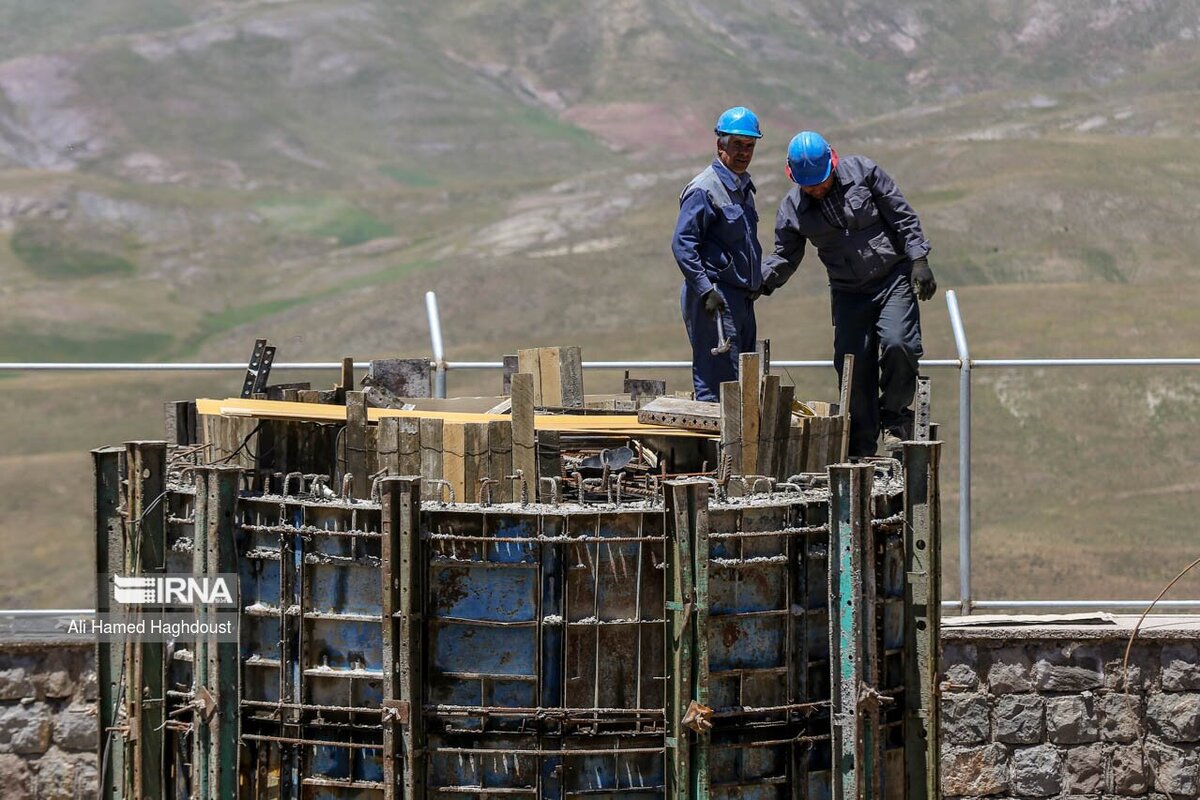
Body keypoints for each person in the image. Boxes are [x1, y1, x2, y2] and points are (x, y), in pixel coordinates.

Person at [762, 131, 936, 456]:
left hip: (891, 280)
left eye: (822, 180)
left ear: (833, 163)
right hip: (848, 292)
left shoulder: (864, 173)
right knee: (851, 366)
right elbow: (784, 256)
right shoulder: (793, 210)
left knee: (901, 344)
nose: (817, 188)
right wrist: (759, 283)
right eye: (809, 184)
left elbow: (901, 215)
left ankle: (895, 420)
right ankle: (861, 445)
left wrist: (919, 259)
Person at [671, 106, 764, 402]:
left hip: (741, 299)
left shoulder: (742, 189)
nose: (743, 152)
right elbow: (683, 244)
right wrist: (705, 290)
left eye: (749, 146)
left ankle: (738, 447)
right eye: (737, 145)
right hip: (716, 298)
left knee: (743, 379)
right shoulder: (704, 189)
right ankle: (714, 448)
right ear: (720, 144)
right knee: (718, 382)